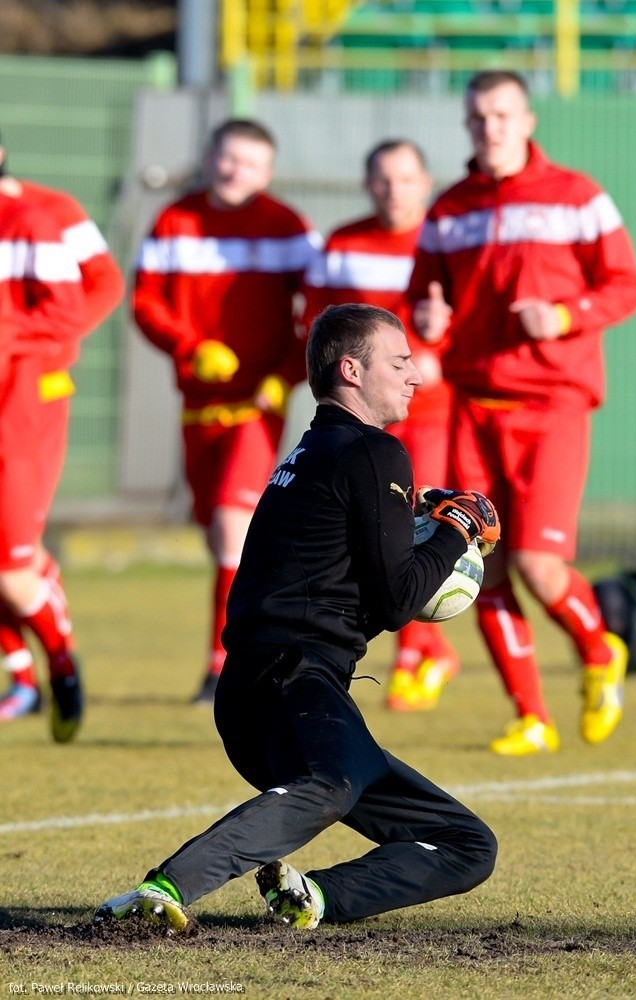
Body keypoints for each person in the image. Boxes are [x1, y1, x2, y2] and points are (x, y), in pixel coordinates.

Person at [94, 302, 500, 933]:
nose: (415, 375)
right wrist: (456, 533)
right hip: (292, 682)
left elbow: (353, 577)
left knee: (465, 843)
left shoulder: (314, 450)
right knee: (333, 782)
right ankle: (166, 887)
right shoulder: (373, 453)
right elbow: (397, 602)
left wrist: (423, 524)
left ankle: (315, 899)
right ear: (351, 370)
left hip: (269, 688)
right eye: (398, 361)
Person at [408, 69, 636, 756]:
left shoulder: (577, 196)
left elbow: (627, 285)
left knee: (542, 566)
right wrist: (428, 315)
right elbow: (425, 298)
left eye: (503, 115)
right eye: (479, 117)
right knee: (480, 560)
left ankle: (597, 653)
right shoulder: (450, 208)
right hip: (472, 405)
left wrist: (567, 314)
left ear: (527, 119)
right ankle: (530, 717)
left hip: (551, 404)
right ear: (467, 124)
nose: (491, 127)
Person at [132, 118, 321, 703]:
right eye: (228, 158)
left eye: (251, 162)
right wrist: (189, 348)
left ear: (267, 172)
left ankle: (225, 667)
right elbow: (145, 302)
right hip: (197, 407)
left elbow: (315, 312)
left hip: (254, 408)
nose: (236, 170)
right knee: (221, 540)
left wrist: (283, 378)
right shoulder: (175, 220)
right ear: (210, 158)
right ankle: (269, 647)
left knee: (229, 526)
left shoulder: (286, 225)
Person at [302, 140, 458, 714]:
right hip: (361, 413)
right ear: (368, 184)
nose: (394, 190)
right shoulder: (343, 243)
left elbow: (474, 315)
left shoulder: (444, 239)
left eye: (406, 178)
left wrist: (442, 341)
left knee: (411, 525)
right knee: (364, 532)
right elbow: (318, 325)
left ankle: (417, 655)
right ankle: (429, 649)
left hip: (429, 411)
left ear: (426, 181)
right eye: (383, 179)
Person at [0, 140, 124, 741]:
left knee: (13, 565)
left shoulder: (46, 216)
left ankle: (56, 663)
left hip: (25, 398)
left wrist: (43, 356)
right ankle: (22, 676)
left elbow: (97, 291)